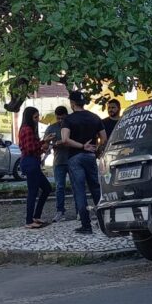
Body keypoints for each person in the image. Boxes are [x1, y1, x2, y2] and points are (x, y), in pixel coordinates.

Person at [58, 91, 106, 234]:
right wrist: (97, 150)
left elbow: (65, 140)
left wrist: (81, 146)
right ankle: (103, 222)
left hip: (75, 157)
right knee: (96, 189)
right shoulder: (95, 117)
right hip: (90, 156)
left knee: (80, 191)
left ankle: (86, 226)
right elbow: (104, 138)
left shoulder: (68, 120)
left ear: (72, 103)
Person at [18, 106, 53, 229]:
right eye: (35, 117)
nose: (37, 119)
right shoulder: (27, 129)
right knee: (33, 192)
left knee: (46, 188)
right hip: (30, 162)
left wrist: (43, 145)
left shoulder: (28, 129)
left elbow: (33, 148)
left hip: (32, 161)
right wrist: (44, 142)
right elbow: (30, 148)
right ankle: (29, 220)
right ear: (30, 117)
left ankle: (36, 216)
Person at [43, 106, 72, 222]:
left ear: (67, 116)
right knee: (60, 187)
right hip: (59, 161)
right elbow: (45, 145)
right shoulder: (51, 128)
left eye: (62, 118)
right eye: (58, 118)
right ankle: (60, 211)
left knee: (76, 186)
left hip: (72, 159)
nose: (60, 121)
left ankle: (80, 211)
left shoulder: (71, 126)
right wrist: (50, 144)